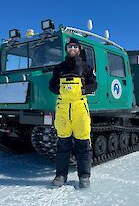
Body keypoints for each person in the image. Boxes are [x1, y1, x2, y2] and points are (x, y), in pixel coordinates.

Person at [49, 37, 97, 188]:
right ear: (66, 49)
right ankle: (60, 175)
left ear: (79, 49)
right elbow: (52, 85)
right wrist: (59, 90)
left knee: (83, 144)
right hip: (63, 109)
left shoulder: (85, 67)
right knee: (63, 144)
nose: (72, 49)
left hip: (80, 109)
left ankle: (84, 176)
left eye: (75, 47)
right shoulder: (59, 68)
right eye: (70, 46)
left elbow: (94, 84)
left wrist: (83, 90)